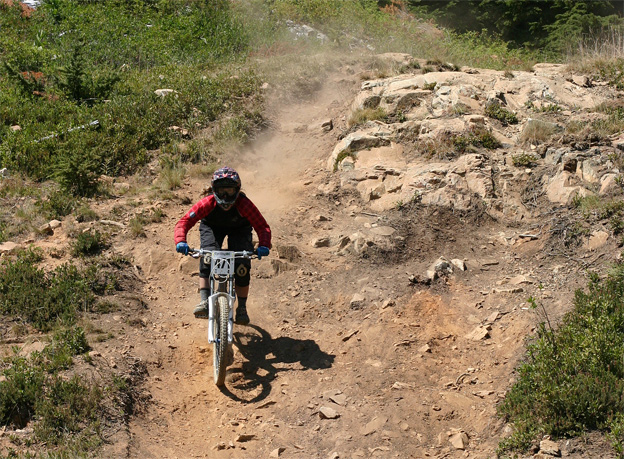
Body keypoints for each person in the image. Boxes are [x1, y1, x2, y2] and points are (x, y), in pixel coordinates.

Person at [174, 166, 271, 324]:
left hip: (240, 229)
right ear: (214, 190)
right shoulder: (207, 202)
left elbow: (262, 226)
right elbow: (185, 221)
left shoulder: (244, 204)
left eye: (230, 191)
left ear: (237, 190)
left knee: (242, 267)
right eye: (221, 191)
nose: (225, 196)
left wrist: (264, 244)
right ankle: (205, 301)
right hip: (212, 228)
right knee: (207, 257)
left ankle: (242, 308)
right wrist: (181, 241)